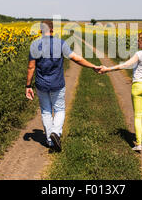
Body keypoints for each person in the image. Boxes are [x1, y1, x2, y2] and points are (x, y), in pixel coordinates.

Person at [25, 20, 101, 152]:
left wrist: (28, 86)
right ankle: (56, 133)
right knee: (59, 109)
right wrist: (93, 66)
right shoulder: (60, 44)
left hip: (41, 84)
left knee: (46, 111)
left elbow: (31, 67)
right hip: (57, 84)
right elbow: (76, 58)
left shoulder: (35, 45)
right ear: (52, 30)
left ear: (40, 31)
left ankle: (50, 141)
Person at [99, 32, 142, 152]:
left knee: (138, 115)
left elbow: (125, 65)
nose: (138, 43)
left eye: (139, 41)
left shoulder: (139, 54)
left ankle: (138, 144)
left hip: (138, 86)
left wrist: (108, 69)